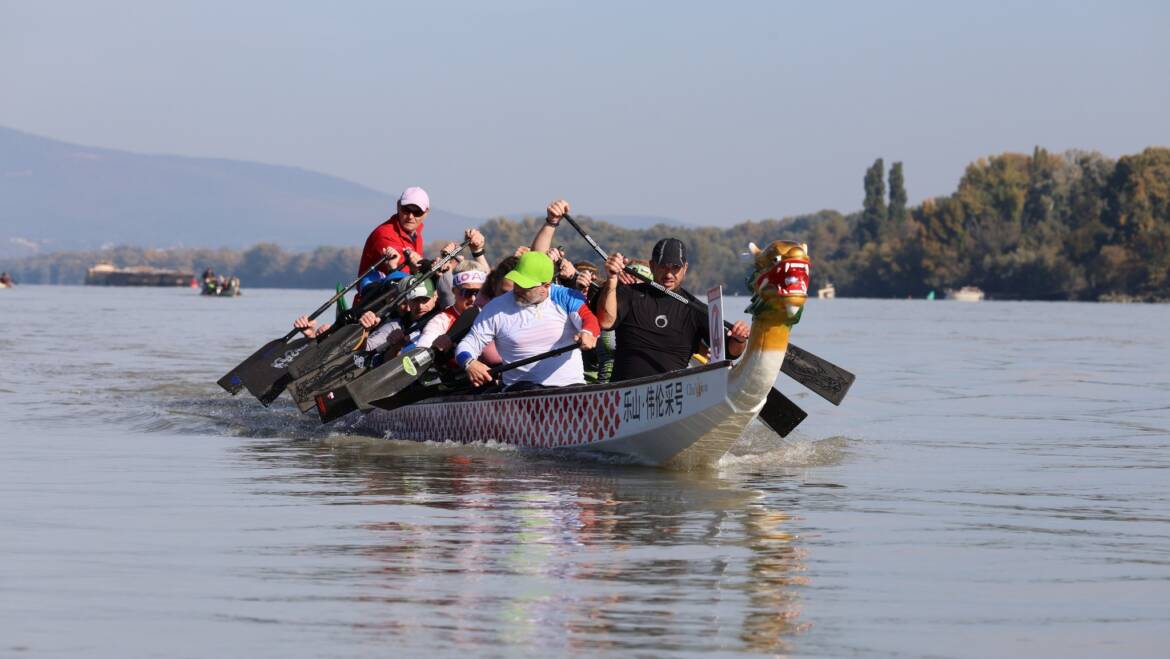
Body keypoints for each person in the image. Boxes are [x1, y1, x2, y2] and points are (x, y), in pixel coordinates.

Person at [595, 237, 751, 382]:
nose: (669, 274)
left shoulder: (695, 308)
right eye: (663, 266)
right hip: (624, 394)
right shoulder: (630, 294)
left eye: (675, 267)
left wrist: (739, 338)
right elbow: (606, 322)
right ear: (652, 266)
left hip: (672, 397)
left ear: (685, 268)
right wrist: (612, 278)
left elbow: (731, 352)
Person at [456, 251, 599, 390]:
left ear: (546, 286)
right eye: (517, 282)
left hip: (570, 388)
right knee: (530, 388)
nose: (517, 289)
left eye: (526, 286)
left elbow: (589, 320)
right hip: (520, 391)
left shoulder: (566, 297)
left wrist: (587, 332)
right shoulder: (495, 308)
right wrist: (469, 363)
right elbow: (468, 344)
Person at [358, 186, 430, 277]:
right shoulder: (384, 235)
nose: (410, 217)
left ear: (426, 213)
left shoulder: (416, 235)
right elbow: (403, 279)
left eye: (417, 212)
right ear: (398, 206)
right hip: (379, 289)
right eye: (406, 210)